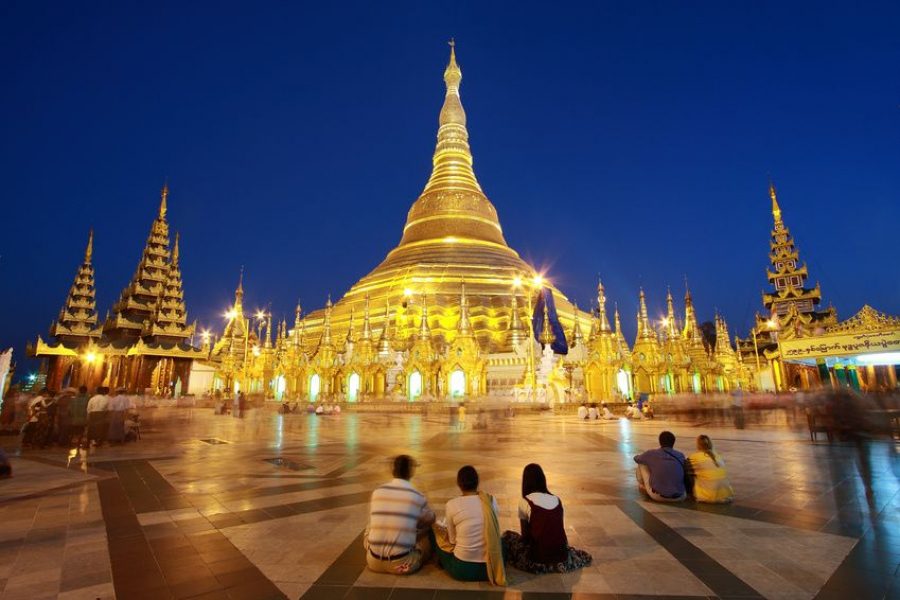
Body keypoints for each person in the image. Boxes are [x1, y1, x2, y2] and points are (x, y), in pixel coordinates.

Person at [501, 464, 592, 573]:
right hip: (561, 555)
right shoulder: (557, 500)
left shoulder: (525, 501)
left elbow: (525, 536)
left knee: (508, 537)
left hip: (538, 557)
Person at [432, 465, 506, 585]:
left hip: (462, 569)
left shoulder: (452, 504)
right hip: (491, 567)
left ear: (459, 484)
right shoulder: (491, 500)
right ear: (477, 482)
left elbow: (452, 540)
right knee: (503, 540)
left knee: (435, 535)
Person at [364, 455, 435, 575]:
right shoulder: (416, 495)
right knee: (428, 534)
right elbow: (431, 519)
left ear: (393, 471)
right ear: (411, 472)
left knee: (370, 526)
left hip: (372, 561)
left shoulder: (377, 492)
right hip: (402, 565)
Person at [633, 431, 688, 502]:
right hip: (681, 496)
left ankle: (642, 486)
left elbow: (636, 459)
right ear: (673, 442)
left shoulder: (651, 453)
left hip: (658, 496)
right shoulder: (680, 455)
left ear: (660, 441)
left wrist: (643, 457)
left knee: (642, 463)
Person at [688, 435, 734, 503]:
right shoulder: (718, 456)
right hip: (727, 496)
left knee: (688, 473)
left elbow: (685, 470)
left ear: (698, 445)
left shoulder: (694, 457)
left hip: (708, 496)